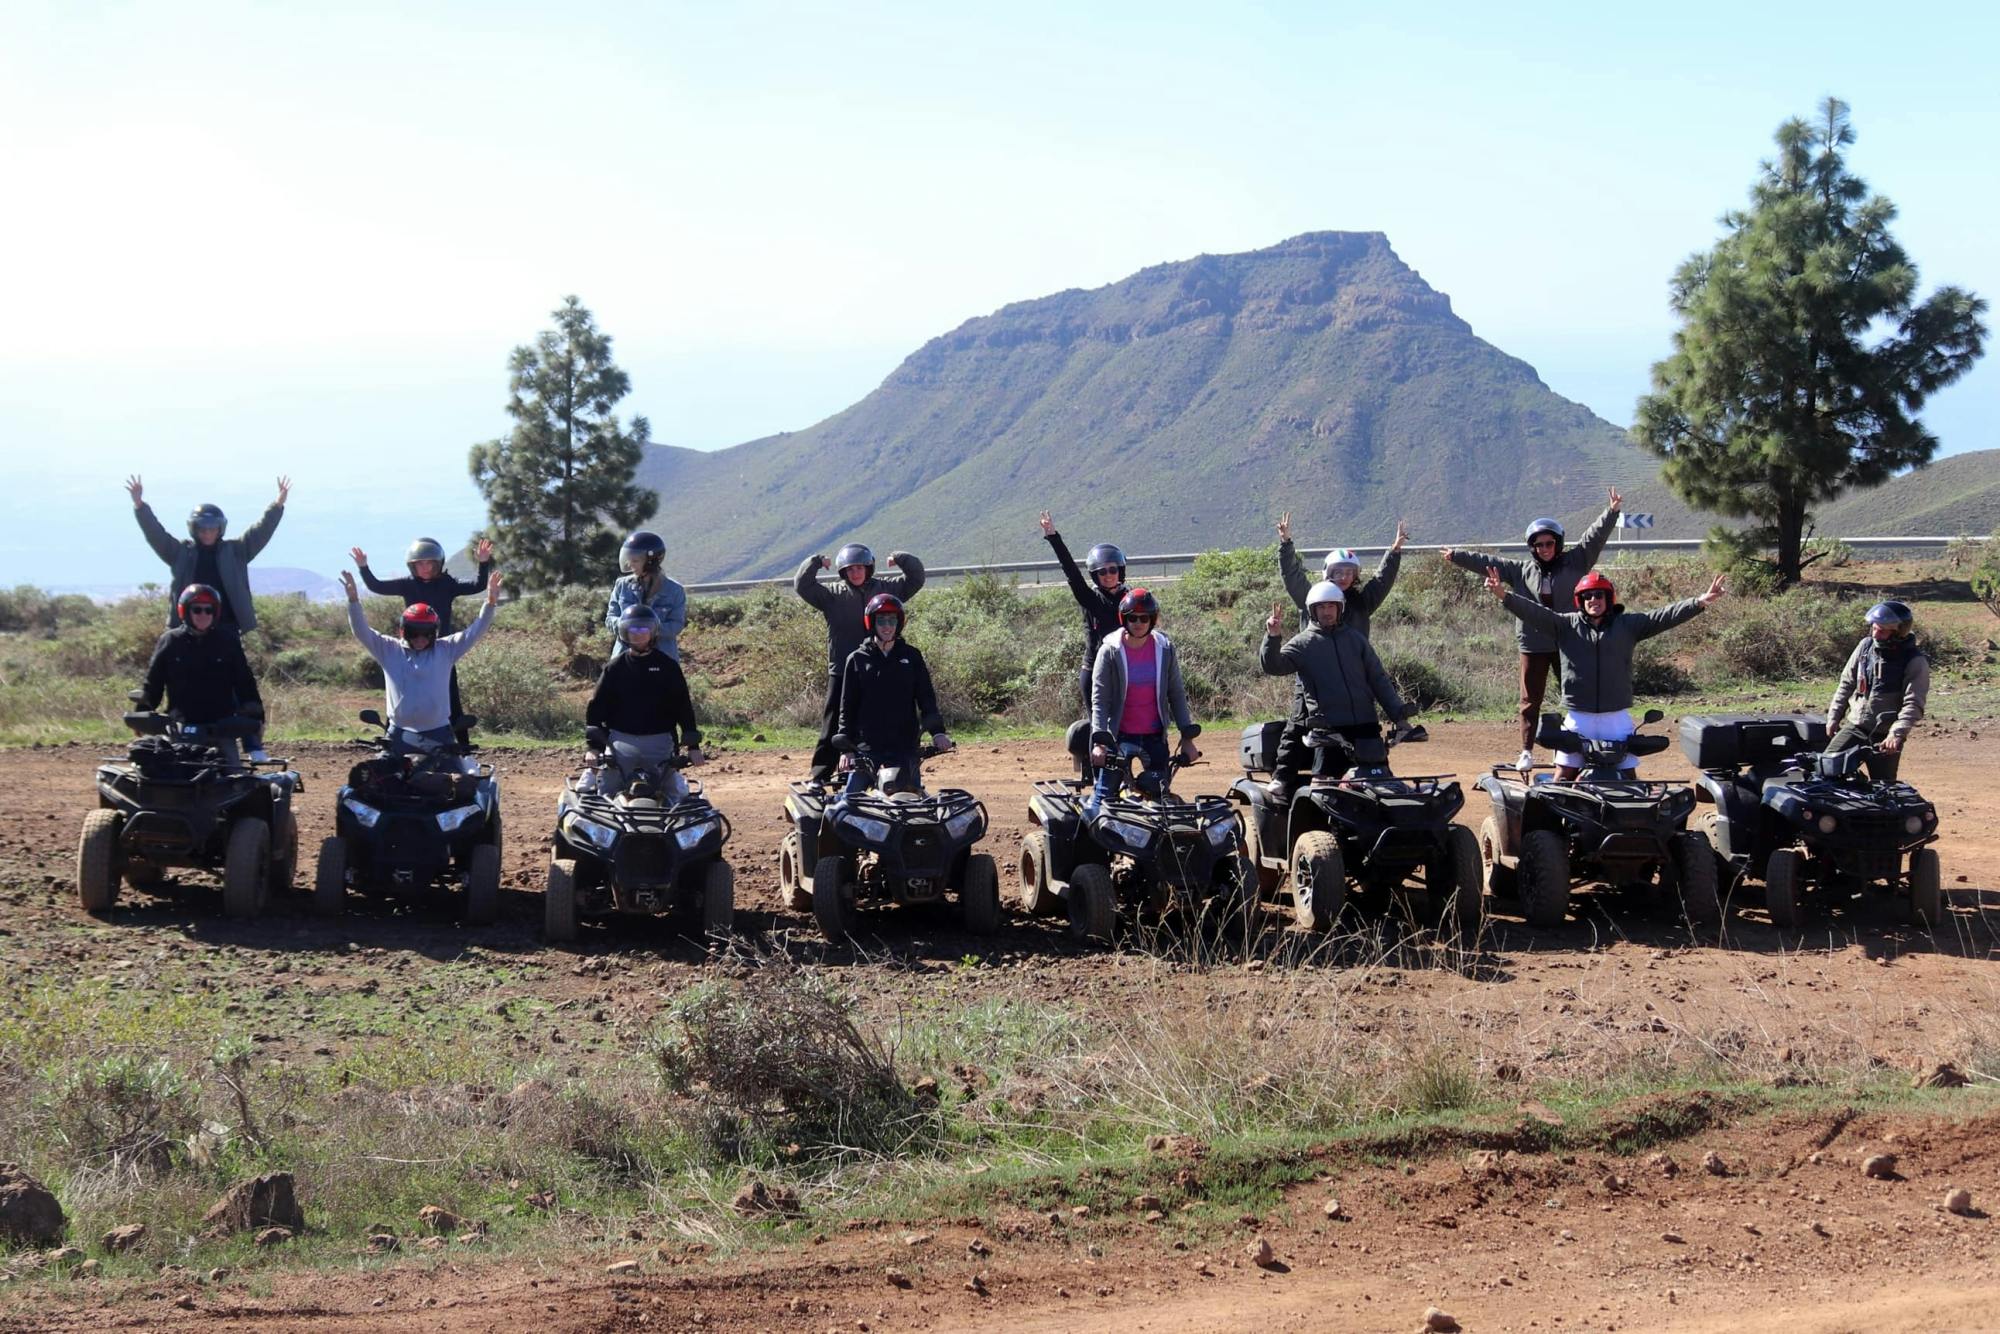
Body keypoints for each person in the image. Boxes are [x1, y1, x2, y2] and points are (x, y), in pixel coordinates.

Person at [1485, 566, 1725, 778]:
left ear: (1608, 598)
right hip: (1580, 717)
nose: (1593, 600)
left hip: (1616, 717)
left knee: (1628, 775)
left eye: (1599, 594)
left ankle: (1635, 825)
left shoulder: (1628, 625)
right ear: (1580, 600)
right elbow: (1533, 612)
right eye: (1587, 596)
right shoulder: (1566, 625)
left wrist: (1700, 602)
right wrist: (1504, 595)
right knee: (1564, 774)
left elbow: (1663, 616)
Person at [1443, 487, 1623, 771]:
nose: (1544, 549)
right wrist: (1456, 556)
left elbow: (1595, 537)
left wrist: (1611, 512)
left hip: (1569, 641)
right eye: (1538, 545)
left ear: (1558, 543)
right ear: (1532, 547)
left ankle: (1582, 746)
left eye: (1549, 543)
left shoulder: (1577, 561)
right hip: (1534, 643)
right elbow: (1488, 563)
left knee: (1580, 694)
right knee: (1530, 700)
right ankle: (1526, 751)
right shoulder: (1520, 571)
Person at [1267, 513, 1410, 795]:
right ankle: (1283, 776)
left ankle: (1369, 778)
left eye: (1349, 572)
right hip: (1314, 676)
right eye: (1337, 572)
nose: (1343, 577)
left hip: (1354, 675)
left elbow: (1382, 581)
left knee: (1365, 730)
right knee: (1298, 726)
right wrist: (1286, 544)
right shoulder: (1314, 596)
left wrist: (1394, 551)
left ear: (1355, 576)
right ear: (1326, 574)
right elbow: (1293, 577)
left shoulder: (1361, 602)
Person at [795, 542, 927, 783]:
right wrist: (815, 561)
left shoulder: (885, 589)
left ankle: (890, 773)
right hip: (842, 670)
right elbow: (803, 585)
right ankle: (819, 778)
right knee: (833, 725)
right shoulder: (831, 595)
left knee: (884, 719)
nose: (855, 573)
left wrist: (900, 557)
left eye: (860, 568)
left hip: (881, 668)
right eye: (850, 569)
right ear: (843, 571)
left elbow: (916, 578)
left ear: (869, 568)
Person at [340, 567, 501, 763]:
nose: (420, 639)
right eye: (413, 632)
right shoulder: (388, 649)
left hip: (440, 733)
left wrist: (490, 603)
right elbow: (361, 631)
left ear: (435, 632)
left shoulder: (446, 649)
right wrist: (353, 601)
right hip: (397, 734)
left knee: (457, 785)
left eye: (427, 633)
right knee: (377, 783)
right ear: (402, 631)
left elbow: (474, 632)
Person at [1259, 584, 1417, 779]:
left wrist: (1399, 716)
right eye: (1322, 607)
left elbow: (1378, 679)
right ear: (1312, 611)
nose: (1327, 612)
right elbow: (1274, 666)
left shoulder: (1356, 640)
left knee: (1379, 781)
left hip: (1366, 724)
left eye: (1331, 607)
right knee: (1323, 787)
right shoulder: (1303, 643)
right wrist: (1272, 637)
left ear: (1340, 608)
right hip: (1329, 730)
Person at [1086, 588, 1200, 813]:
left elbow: (1176, 693)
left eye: (1144, 617)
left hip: (1155, 737)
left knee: (1159, 798)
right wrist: (1100, 741)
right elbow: (1100, 699)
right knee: (1104, 798)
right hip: (1119, 737)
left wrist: (1187, 736)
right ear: (1124, 619)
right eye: (1132, 617)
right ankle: (1085, 845)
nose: (1138, 622)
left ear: (1152, 619)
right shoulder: (1110, 651)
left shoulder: (1164, 649)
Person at [126, 474, 289, 632]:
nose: (207, 533)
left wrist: (278, 505)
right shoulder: (180, 553)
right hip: (186, 628)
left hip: (227, 626)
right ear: (194, 529)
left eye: (212, 528)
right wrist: (140, 505)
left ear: (220, 529)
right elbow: (155, 534)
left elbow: (261, 531)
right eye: (202, 529)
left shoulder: (236, 551)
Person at [832, 593, 953, 800]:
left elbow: (926, 698)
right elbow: (847, 706)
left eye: (892, 620)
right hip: (867, 749)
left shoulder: (911, 656)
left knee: (914, 804)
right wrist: (846, 750)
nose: (887, 626)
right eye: (881, 621)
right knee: (847, 805)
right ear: (872, 623)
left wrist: (938, 733)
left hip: (905, 746)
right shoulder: (857, 659)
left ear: (899, 623)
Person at [584, 604, 705, 799]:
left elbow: (683, 706)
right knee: (607, 791)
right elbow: (597, 707)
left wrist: (693, 747)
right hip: (620, 741)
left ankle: (672, 829)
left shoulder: (668, 667)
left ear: (652, 631)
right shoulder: (615, 667)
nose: (638, 634)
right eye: (633, 629)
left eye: (643, 629)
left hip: (660, 742)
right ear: (625, 633)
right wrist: (593, 747)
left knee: (674, 794)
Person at [135, 584, 266, 764]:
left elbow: (245, 682)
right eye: (197, 609)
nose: (203, 615)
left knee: (235, 779)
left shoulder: (227, 641)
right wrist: (143, 711)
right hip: (181, 727)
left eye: (209, 610)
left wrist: (257, 717)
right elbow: (153, 682)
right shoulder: (170, 641)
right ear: (185, 611)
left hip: (222, 727)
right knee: (173, 779)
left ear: (215, 612)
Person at [1824, 600, 1929, 782]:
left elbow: (1913, 704)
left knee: (1884, 787)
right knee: (1827, 768)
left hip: (1885, 735)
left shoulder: (1914, 661)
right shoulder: (1865, 647)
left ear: (1898, 632)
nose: (1876, 634)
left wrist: (1896, 734)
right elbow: (1846, 683)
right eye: (1874, 628)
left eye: (1882, 631)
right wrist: (1834, 716)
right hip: (1856, 726)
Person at [1037, 511, 1128, 713]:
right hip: (1095, 670)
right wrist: (1053, 537)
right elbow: (1071, 572)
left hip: (1127, 669)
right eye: (1102, 571)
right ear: (1095, 575)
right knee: (1098, 726)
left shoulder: (1130, 599)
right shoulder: (1090, 599)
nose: (1108, 575)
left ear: (1120, 571)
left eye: (1112, 570)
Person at [604, 531, 688, 662]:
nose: (630, 564)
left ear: (650, 561)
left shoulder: (675, 591)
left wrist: (649, 630)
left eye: (635, 560)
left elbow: (676, 625)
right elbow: (610, 618)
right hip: (625, 659)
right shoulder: (622, 586)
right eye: (629, 559)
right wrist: (626, 627)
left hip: (662, 659)